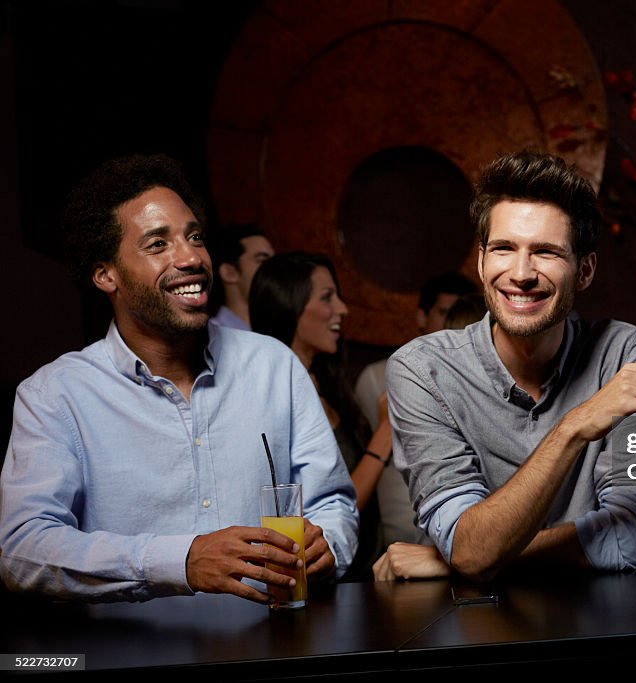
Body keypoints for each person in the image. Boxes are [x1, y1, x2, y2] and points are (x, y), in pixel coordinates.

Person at [0, 155, 358, 603]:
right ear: (105, 274)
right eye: (157, 245)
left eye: (194, 238)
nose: (190, 257)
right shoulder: (56, 395)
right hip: (131, 662)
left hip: (273, 651)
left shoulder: (273, 366)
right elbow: (23, 550)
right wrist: (180, 561)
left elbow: (333, 503)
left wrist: (329, 545)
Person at [374, 151, 636, 582]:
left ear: (584, 271)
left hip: (599, 633)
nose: (521, 273)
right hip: (471, 633)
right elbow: (470, 551)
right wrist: (575, 426)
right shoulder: (423, 371)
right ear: (481, 262)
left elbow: (631, 538)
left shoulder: (620, 352)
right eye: (504, 248)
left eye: (545, 252)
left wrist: (455, 560)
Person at [249, 251, 392, 578]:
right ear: (289, 305)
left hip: (363, 571)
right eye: (327, 297)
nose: (342, 309)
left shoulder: (328, 382)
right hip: (329, 582)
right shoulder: (272, 395)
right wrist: (384, 436)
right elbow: (330, 508)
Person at [353, 271, 477, 547]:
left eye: (460, 317)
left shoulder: (479, 381)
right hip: (399, 538)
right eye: (444, 313)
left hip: (465, 532)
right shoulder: (379, 378)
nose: (451, 326)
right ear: (422, 316)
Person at [207, 223, 275, 330]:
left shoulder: (277, 329)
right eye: (263, 260)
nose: (275, 268)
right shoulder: (211, 337)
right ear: (229, 273)